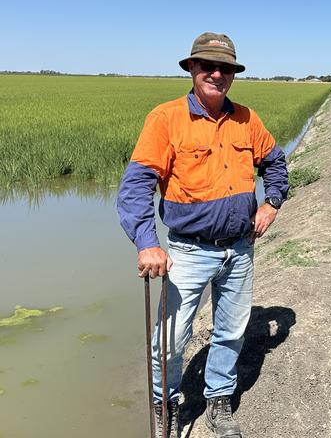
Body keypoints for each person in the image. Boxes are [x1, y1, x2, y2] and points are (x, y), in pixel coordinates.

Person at [117, 32, 288, 438]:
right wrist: (148, 243)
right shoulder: (166, 119)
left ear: (233, 74)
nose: (217, 74)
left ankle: (219, 402)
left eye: (225, 68)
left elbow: (276, 164)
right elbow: (136, 186)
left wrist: (272, 203)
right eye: (207, 66)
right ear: (191, 68)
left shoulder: (248, 118)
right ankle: (166, 406)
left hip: (240, 248)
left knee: (231, 331)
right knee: (171, 338)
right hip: (187, 251)